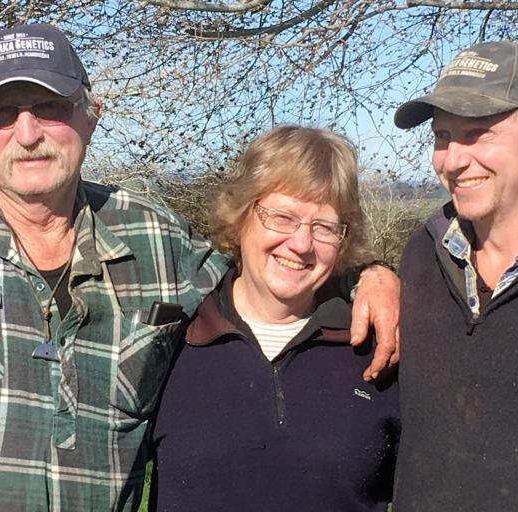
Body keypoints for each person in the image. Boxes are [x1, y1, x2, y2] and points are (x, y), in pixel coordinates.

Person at [0, 24, 399, 511]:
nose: (28, 133)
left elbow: (271, 269)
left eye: (50, 108)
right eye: (1, 114)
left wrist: (374, 276)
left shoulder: (153, 237)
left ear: (91, 116)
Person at [150, 126, 400, 512]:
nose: (301, 244)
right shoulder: (174, 339)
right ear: (242, 215)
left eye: (324, 227)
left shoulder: (378, 346)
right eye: (282, 217)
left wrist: (380, 274)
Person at [393, 41, 518, 511]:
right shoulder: (422, 254)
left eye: (478, 133)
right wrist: (370, 278)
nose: (452, 160)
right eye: (442, 136)